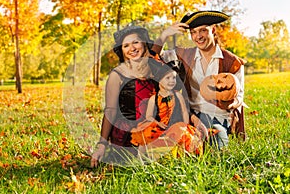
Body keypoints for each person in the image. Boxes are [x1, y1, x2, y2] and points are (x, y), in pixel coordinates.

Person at [152, 10, 246, 150]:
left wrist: (225, 101)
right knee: (177, 140)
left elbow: (239, 98)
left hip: (219, 118)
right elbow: (154, 56)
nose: (198, 36)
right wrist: (165, 34)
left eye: (203, 30)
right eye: (193, 32)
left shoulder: (232, 62)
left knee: (214, 142)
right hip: (191, 116)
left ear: (213, 30)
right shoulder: (185, 55)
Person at [90, 25, 162, 167]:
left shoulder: (156, 69)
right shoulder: (117, 75)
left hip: (153, 127)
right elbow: (110, 110)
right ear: (122, 51)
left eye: (136, 42)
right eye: (126, 45)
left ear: (144, 44)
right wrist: (102, 144)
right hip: (127, 134)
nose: (132, 48)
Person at [130, 61, 203, 157]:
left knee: (182, 132)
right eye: (168, 78)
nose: (172, 81)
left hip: (175, 125)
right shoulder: (154, 98)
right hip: (160, 126)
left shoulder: (177, 95)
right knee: (145, 132)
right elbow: (149, 116)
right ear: (159, 80)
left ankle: (183, 156)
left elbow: (184, 111)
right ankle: (142, 160)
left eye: (174, 78)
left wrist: (185, 124)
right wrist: (158, 123)